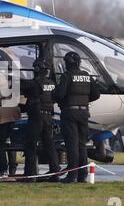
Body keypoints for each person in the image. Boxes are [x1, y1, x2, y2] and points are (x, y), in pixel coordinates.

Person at [54, 52, 100, 184]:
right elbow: (96, 94)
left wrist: (55, 94)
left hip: (70, 113)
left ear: (67, 63)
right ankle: (82, 175)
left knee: (71, 145)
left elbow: (60, 94)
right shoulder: (86, 76)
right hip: (84, 113)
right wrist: (84, 100)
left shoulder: (67, 76)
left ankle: (71, 176)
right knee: (82, 145)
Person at [21, 58, 60, 182]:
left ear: (37, 69)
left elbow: (21, 87)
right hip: (48, 117)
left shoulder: (33, 83)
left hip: (36, 118)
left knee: (30, 146)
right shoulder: (52, 84)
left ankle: (30, 174)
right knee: (49, 145)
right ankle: (55, 171)